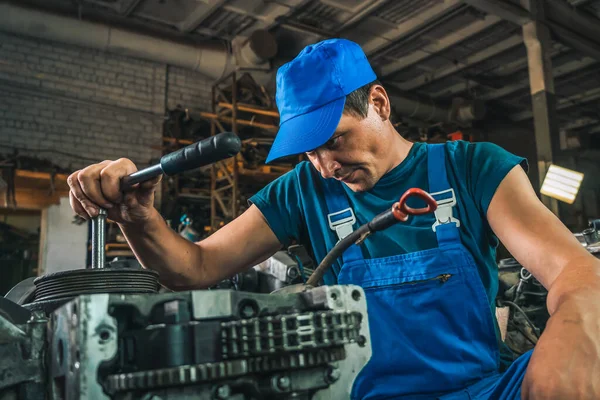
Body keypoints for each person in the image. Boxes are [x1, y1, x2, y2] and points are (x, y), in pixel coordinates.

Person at [67, 39, 600, 399]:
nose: (324, 164)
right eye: (309, 151)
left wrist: (573, 333)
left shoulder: (474, 167)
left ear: (379, 103)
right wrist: (136, 216)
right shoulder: (304, 190)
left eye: (334, 141)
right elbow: (195, 265)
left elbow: (576, 273)